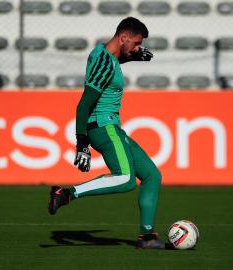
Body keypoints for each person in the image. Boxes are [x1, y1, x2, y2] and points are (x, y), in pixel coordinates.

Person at [48, 17, 164, 249]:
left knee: (152, 175)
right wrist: (82, 144)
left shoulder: (103, 54)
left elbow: (109, 67)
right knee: (125, 179)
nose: (139, 47)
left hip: (112, 127)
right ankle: (67, 193)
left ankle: (147, 236)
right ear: (123, 38)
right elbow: (84, 105)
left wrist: (132, 57)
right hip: (103, 127)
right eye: (136, 43)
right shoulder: (104, 61)